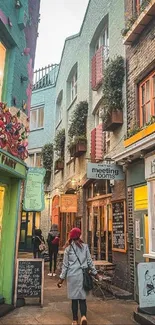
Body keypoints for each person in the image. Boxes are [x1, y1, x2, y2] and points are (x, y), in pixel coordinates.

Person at [57, 227, 99, 325]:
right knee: (82, 298)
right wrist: (95, 273)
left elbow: (65, 265)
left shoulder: (68, 249)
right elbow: (89, 262)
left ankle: (75, 320)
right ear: (79, 235)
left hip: (72, 276)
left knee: (74, 299)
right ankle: (83, 316)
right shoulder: (85, 247)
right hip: (82, 276)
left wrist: (61, 279)